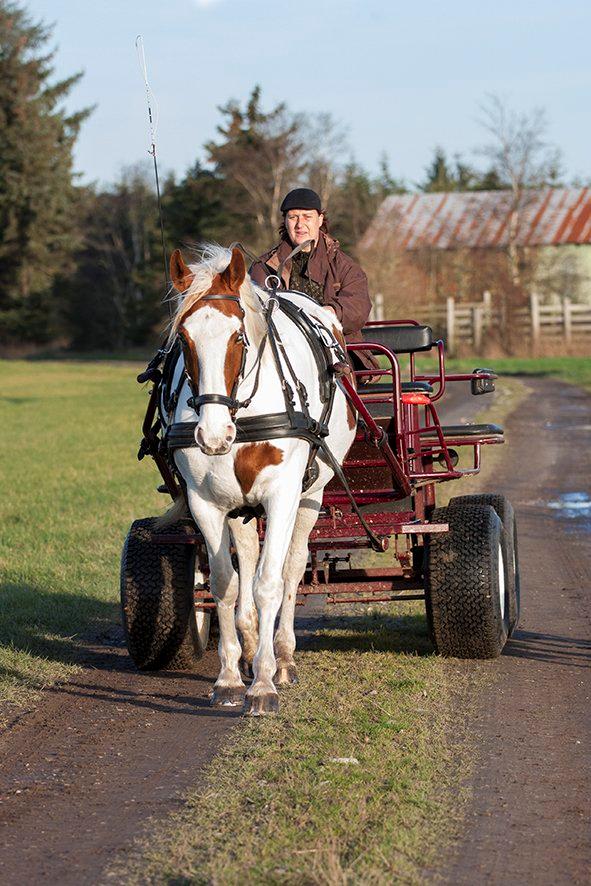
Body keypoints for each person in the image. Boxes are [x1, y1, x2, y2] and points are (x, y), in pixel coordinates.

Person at [249, 188, 374, 369]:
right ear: (285, 221)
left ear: (320, 219)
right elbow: (252, 310)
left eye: (307, 217)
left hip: (335, 351)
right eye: (293, 217)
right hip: (281, 352)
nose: (300, 224)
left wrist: (330, 312)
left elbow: (358, 305)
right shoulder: (263, 266)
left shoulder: (345, 266)